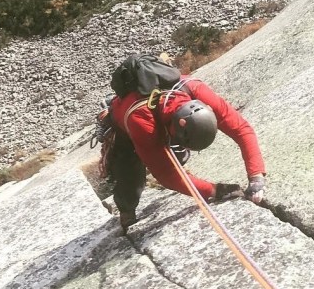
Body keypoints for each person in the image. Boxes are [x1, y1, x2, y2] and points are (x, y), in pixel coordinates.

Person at [104, 62, 266, 232]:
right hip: (125, 125)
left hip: (161, 118)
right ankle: (126, 212)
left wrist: (256, 176)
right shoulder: (141, 121)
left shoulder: (196, 90)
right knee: (129, 175)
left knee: (178, 157)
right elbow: (167, 175)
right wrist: (214, 190)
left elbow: (241, 129)